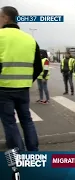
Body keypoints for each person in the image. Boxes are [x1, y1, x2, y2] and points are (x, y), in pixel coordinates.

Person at [0, 6, 42, 151]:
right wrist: (26, 81)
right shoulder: (29, 39)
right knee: (26, 120)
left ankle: (20, 155)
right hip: (23, 88)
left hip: (3, 88)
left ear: (5, 17)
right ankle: (33, 152)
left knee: (10, 122)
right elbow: (38, 67)